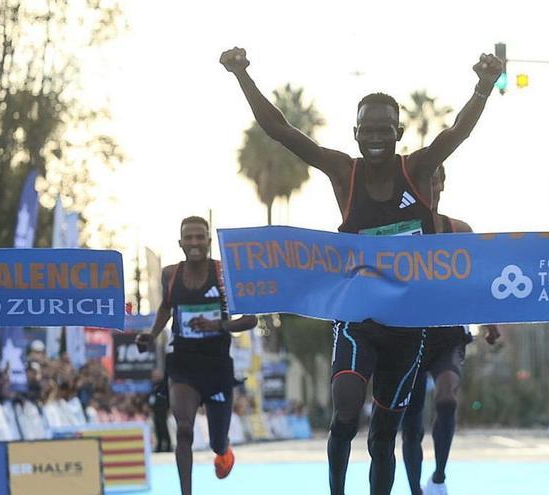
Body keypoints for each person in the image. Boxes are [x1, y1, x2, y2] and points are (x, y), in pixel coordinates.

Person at [220, 47, 502, 495]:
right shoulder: (342, 172)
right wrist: (241, 75)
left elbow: (458, 132)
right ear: (355, 133)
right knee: (346, 407)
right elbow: (280, 131)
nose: (376, 136)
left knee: (383, 437)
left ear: (399, 132)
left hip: (409, 326)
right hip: (357, 320)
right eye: (367, 128)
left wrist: (485, 85)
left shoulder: (419, 169)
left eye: (384, 129)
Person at [135, 216, 257, 495]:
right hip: (182, 364)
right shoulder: (170, 275)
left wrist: (219, 325)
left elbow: (250, 319)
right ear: (179, 242)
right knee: (185, 430)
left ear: (209, 241)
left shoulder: (225, 274)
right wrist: (152, 335)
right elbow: (166, 308)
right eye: (188, 238)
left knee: (216, 441)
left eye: (199, 237)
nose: (194, 243)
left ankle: (223, 450)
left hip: (217, 368)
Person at [401, 164, 500, 495]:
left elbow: (478, 280)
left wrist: (490, 321)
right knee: (411, 420)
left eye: (433, 178)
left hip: (449, 336)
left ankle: (439, 477)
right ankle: (415, 488)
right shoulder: (399, 231)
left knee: (447, 396)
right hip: (407, 336)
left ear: (442, 183)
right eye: (421, 180)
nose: (429, 186)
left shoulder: (460, 230)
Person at [148, 369, 172, 453]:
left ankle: (168, 446)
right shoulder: (153, 386)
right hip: (155, 410)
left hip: (163, 410)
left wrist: (168, 409)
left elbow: (167, 398)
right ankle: (159, 445)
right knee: (157, 428)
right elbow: (151, 397)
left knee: (164, 428)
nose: (153, 377)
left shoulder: (163, 385)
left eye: (155, 375)